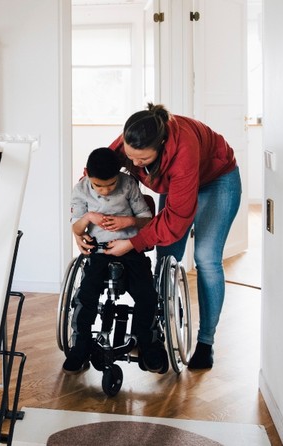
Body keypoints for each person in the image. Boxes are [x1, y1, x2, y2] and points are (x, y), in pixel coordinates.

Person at [93, 103, 241, 370]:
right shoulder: (134, 138)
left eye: (143, 160)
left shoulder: (183, 150)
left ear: (161, 145)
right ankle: (155, 329)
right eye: (131, 157)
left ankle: (206, 343)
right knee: (166, 256)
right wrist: (85, 220)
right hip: (176, 183)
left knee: (206, 258)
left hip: (217, 180)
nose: (135, 164)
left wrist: (133, 242)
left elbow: (175, 219)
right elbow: (97, 174)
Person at [64, 147, 169, 375]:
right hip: (98, 250)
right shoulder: (81, 190)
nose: (105, 190)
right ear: (87, 175)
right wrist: (89, 217)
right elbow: (76, 227)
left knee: (146, 294)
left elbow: (146, 220)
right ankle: (80, 345)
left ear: (119, 175)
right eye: (98, 185)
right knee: (86, 296)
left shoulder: (128, 184)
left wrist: (126, 222)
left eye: (110, 184)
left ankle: (148, 344)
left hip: (129, 248)